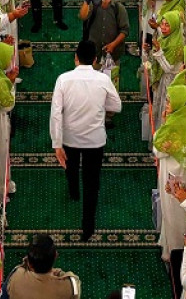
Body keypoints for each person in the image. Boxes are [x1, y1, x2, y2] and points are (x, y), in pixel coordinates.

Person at [50, 39, 122, 242]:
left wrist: (57, 144)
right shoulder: (103, 80)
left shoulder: (63, 79)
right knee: (92, 183)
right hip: (95, 140)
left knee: (71, 167)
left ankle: (73, 191)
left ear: (75, 58)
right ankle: (88, 227)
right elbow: (117, 106)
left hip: (70, 138)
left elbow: (56, 114)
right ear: (96, 60)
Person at [3, 235, 80, 299]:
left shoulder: (15, 277)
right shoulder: (70, 286)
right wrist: (59, 273)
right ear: (56, 256)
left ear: (30, 264)